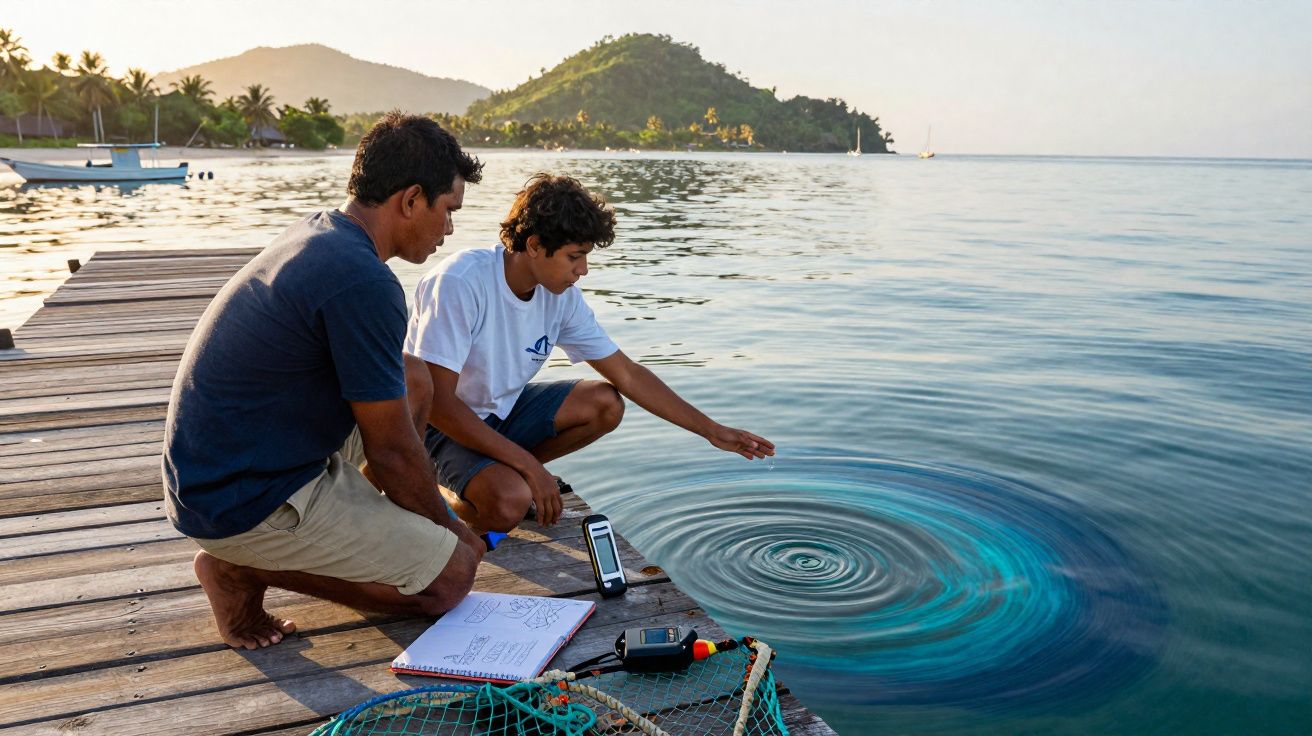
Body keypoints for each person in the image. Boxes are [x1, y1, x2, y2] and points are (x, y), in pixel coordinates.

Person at [163, 112, 486, 650]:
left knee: (415, 378)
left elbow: (395, 426)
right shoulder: (363, 280)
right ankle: (238, 571)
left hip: (233, 461)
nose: (449, 230)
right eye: (447, 211)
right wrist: (450, 533)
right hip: (240, 500)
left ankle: (367, 529)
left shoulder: (322, 233)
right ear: (410, 200)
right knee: (451, 577)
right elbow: (392, 453)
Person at [405, 173, 774, 533]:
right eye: (574, 256)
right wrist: (531, 467)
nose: (582, 270)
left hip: (498, 412)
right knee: (508, 504)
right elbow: (438, 404)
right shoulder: (460, 283)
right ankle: (441, 491)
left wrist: (711, 430)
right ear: (533, 245)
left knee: (604, 403)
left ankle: (506, 472)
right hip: (434, 427)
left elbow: (626, 373)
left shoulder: (561, 297)